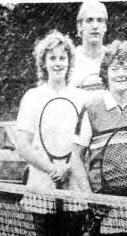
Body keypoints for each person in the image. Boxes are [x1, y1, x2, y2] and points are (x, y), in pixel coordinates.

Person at [71, 40, 127, 236]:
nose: (121, 74)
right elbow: (76, 157)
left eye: (126, 68)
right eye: (115, 68)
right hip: (105, 209)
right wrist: (91, 198)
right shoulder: (91, 108)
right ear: (106, 74)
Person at [16, 29, 86, 236]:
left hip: (74, 187)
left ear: (69, 61)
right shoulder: (32, 97)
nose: (58, 63)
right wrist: (51, 169)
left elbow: (85, 145)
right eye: (52, 58)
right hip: (42, 187)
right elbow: (23, 145)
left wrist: (68, 168)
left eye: (62, 58)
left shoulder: (81, 97)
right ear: (43, 63)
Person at [69, 1, 108, 90]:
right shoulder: (69, 60)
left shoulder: (113, 57)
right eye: (89, 20)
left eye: (100, 20)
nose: (95, 26)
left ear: (105, 26)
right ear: (79, 26)